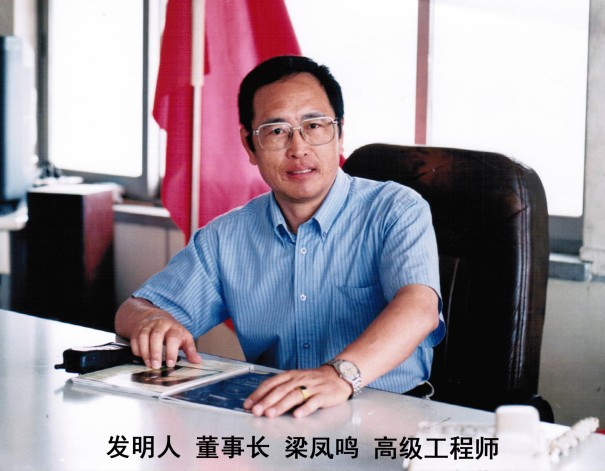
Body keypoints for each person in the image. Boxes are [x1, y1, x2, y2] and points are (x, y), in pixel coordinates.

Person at [115, 55, 445, 419]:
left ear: (339, 134)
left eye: (314, 126)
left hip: (389, 418)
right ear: (249, 145)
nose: (298, 148)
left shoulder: (395, 209)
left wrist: (340, 375)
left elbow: (419, 309)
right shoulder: (226, 237)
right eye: (276, 131)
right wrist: (151, 322)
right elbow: (134, 309)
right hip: (281, 419)